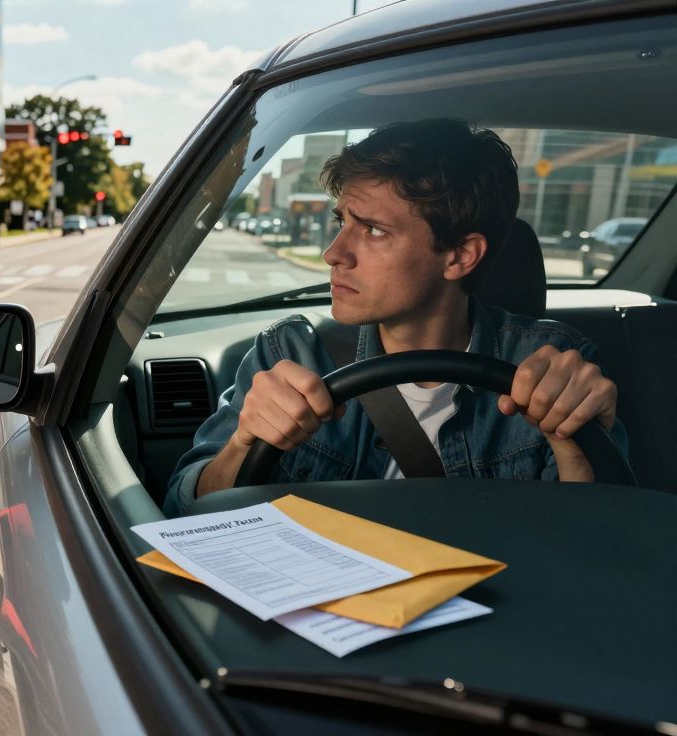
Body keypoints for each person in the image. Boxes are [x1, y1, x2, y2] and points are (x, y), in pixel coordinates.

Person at [164, 119, 627, 517]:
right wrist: (244, 442)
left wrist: (574, 440)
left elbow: (604, 543)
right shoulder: (294, 354)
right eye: (341, 221)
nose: (333, 254)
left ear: (460, 256)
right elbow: (186, 509)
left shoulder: (551, 367)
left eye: (373, 230)